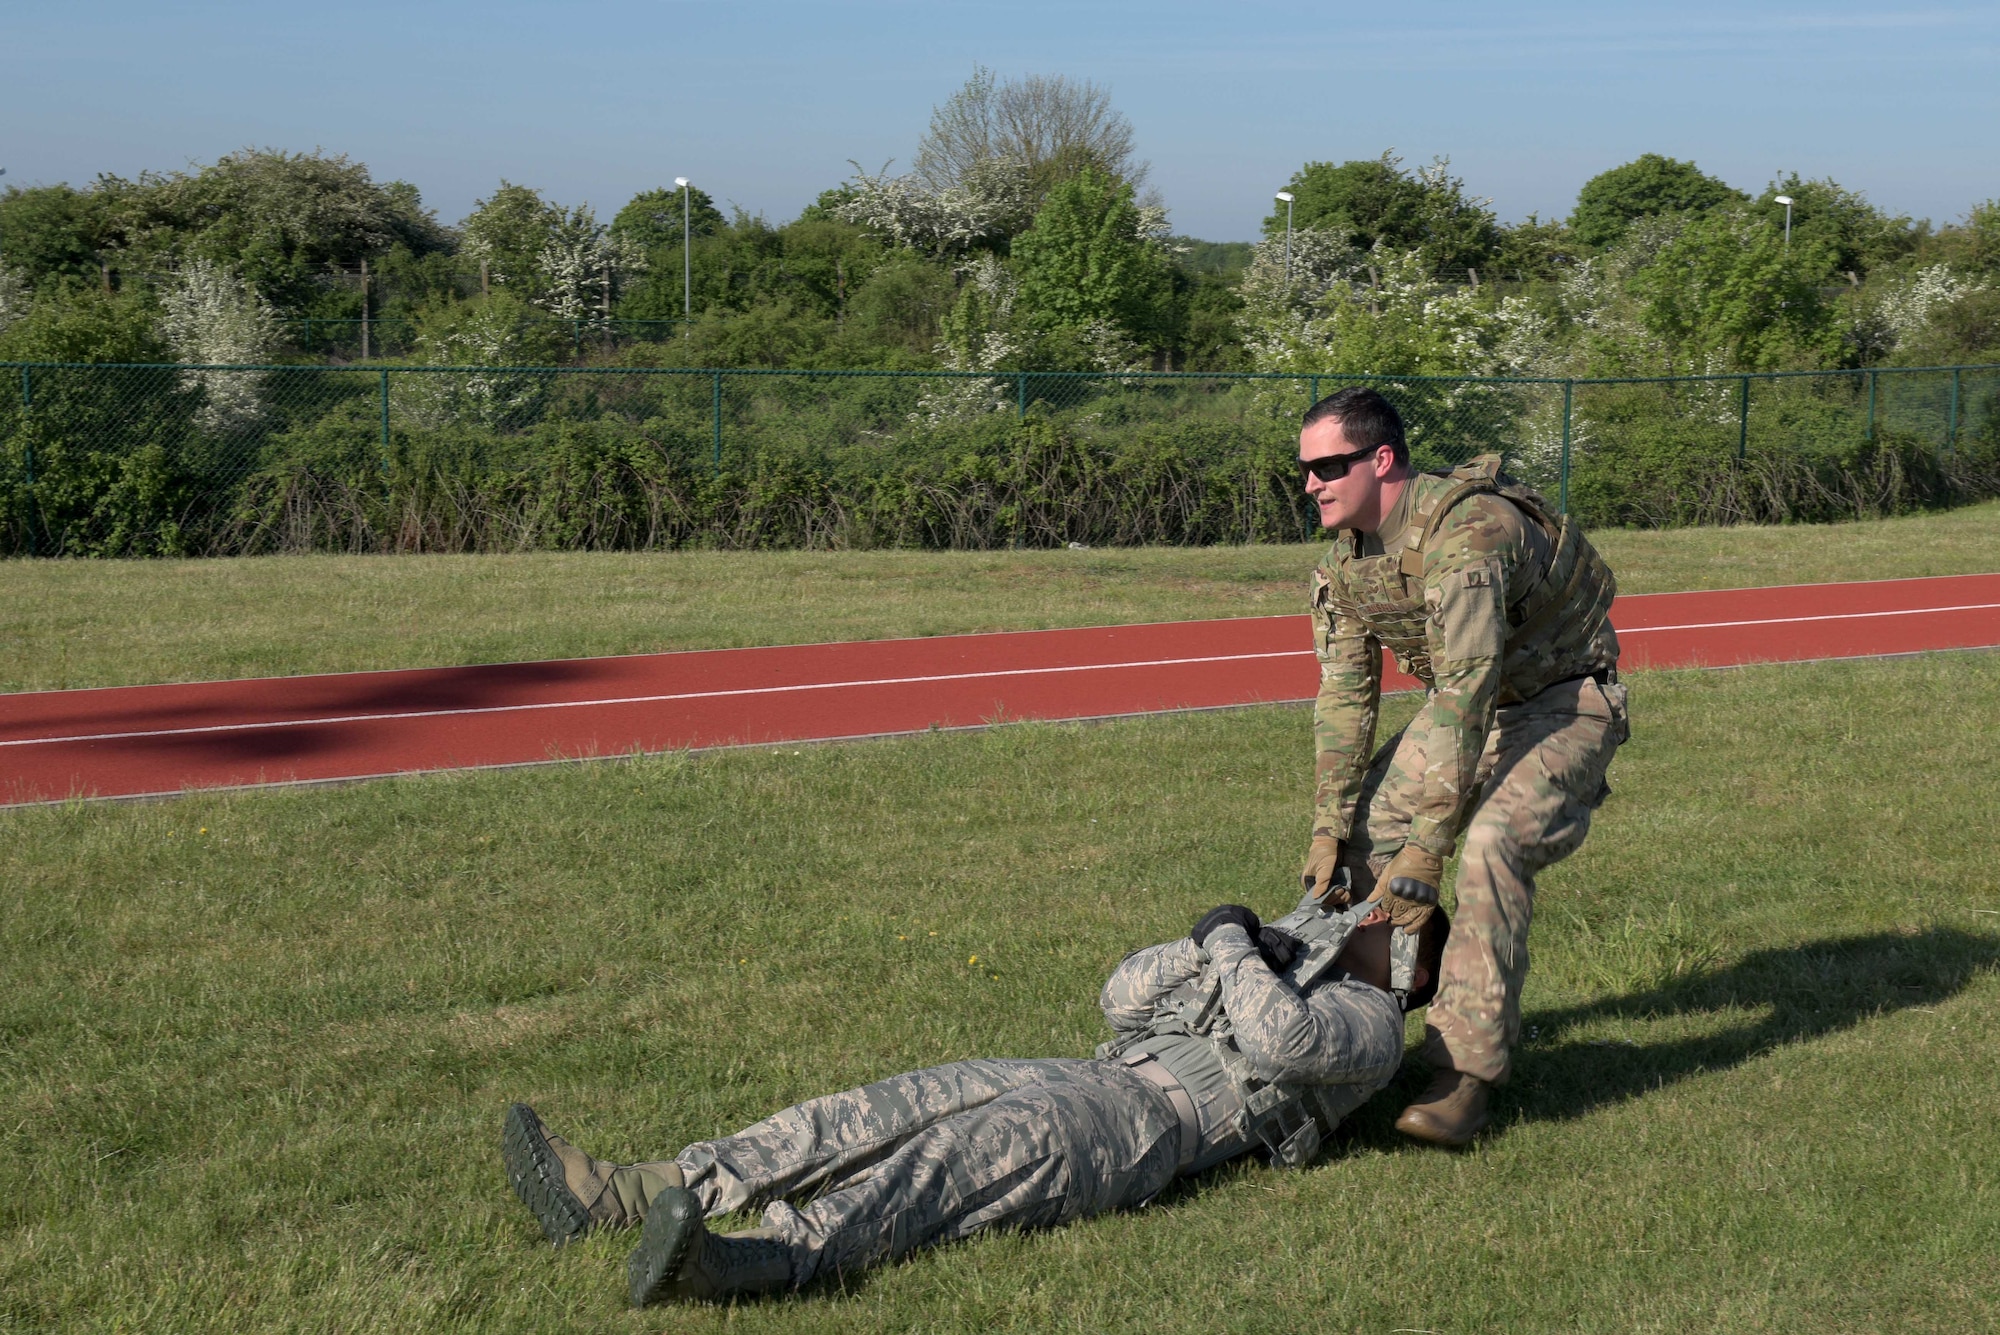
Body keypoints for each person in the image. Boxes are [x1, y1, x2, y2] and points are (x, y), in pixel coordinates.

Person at [502, 892, 1448, 1306]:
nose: (1357, 908)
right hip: (1094, 1071)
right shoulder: (1290, 966)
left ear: (1410, 958)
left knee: (946, 1166)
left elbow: (1282, 1041)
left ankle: (749, 1261)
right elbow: (1120, 997)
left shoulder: (1372, 1023)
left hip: (1152, 1126)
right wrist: (1215, 941)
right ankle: (634, 1190)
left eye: (1382, 913)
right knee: (879, 1107)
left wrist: (1242, 952)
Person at [1296, 386, 1628, 1147]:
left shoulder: (1469, 536)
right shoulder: (1347, 562)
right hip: (1473, 703)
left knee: (1488, 849)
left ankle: (1463, 1075)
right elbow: (1345, 700)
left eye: (1327, 466)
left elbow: (1467, 690)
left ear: (1381, 460)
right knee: (1357, 848)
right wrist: (1328, 825)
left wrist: (1426, 848)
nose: (1311, 483)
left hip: (1564, 703)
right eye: (1306, 469)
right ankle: (1366, 1035)